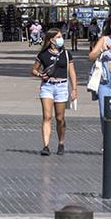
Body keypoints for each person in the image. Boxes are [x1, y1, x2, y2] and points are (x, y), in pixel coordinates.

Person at [32, 27, 78, 155]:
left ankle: (61, 142)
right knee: (47, 116)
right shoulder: (43, 54)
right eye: (58, 37)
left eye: (60, 37)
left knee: (60, 118)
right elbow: (34, 69)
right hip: (47, 86)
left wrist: (74, 88)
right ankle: (46, 146)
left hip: (62, 86)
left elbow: (72, 72)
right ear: (51, 40)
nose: (60, 39)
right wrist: (40, 74)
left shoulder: (66, 54)